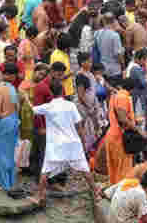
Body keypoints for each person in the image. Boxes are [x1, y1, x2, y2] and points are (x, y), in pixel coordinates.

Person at [33, 76, 97, 206]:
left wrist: (24, 97)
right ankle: (95, 192)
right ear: (62, 91)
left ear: (51, 93)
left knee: (45, 171)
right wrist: (83, 142)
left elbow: (32, 109)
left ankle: (40, 196)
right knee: (85, 170)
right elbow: (79, 126)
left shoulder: (48, 107)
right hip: (73, 143)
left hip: (56, 145)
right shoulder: (71, 105)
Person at [0, 62, 20, 191]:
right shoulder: (12, 88)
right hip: (14, 121)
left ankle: (5, 184)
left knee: (2, 153)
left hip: (5, 122)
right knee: (10, 154)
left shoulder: (0, 88)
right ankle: (9, 182)